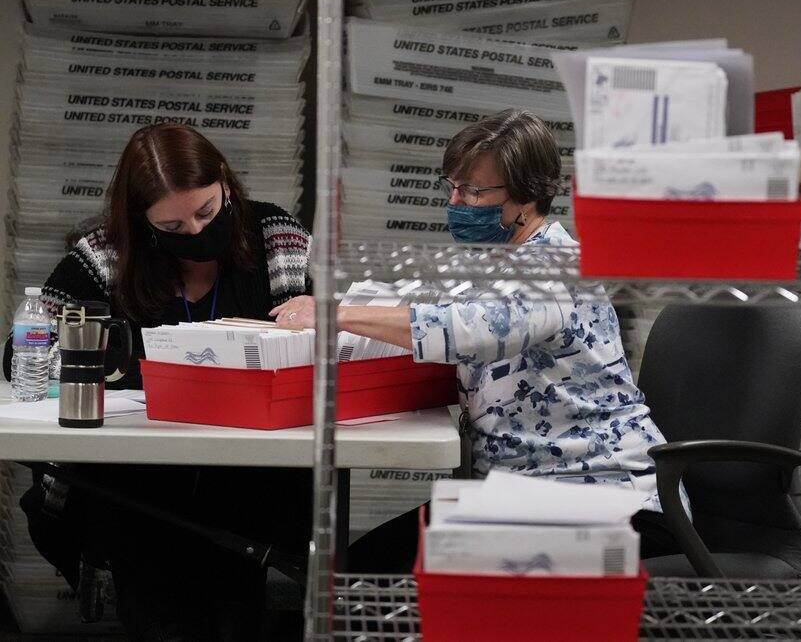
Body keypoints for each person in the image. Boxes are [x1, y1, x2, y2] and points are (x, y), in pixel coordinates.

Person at [339, 109, 686, 573]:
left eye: (474, 191)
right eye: (454, 187)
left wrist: (334, 314)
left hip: (609, 500)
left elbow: (471, 329)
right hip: (529, 494)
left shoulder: (554, 269)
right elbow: (438, 317)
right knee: (363, 566)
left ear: (526, 194)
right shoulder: (497, 266)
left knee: (375, 574)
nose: (457, 202)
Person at [5, 123, 315, 639]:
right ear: (140, 221)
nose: (194, 232)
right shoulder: (106, 252)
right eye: (172, 227)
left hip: (253, 476)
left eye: (206, 213)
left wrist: (313, 313)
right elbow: (25, 354)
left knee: (236, 610)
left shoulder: (273, 235)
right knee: (162, 609)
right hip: (141, 485)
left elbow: (310, 348)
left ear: (225, 183)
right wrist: (123, 363)